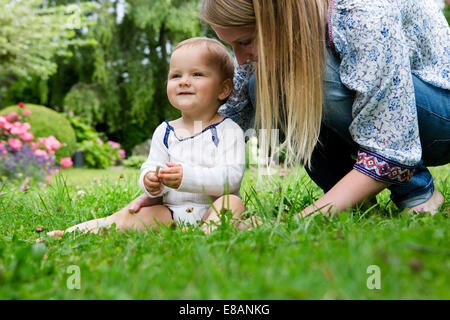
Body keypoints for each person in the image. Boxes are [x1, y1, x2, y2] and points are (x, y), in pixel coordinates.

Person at [196, 0, 448, 217]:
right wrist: (178, 172)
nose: (239, 59)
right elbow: (233, 112)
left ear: (278, 19)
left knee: (300, 76)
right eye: (232, 46)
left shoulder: (363, 13)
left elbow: (390, 143)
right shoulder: (284, 31)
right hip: (400, 115)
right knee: (259, 85)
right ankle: (352, 203)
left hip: (439, 113)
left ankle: (417, 195)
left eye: (245, 41)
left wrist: (300, 220)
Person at [48, 37, 253, 237]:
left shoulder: (229, 130)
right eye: (176, 76)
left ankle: (208, 234)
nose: (184, 82)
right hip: (170, 213)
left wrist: (186, 177)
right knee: (129, 215)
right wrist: (151, 181)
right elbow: (151, 165)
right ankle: (72, 233)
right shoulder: (164, 131)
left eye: (197, 74)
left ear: (223, 89)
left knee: (231, 203)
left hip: (211, 208)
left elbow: (231, 179)